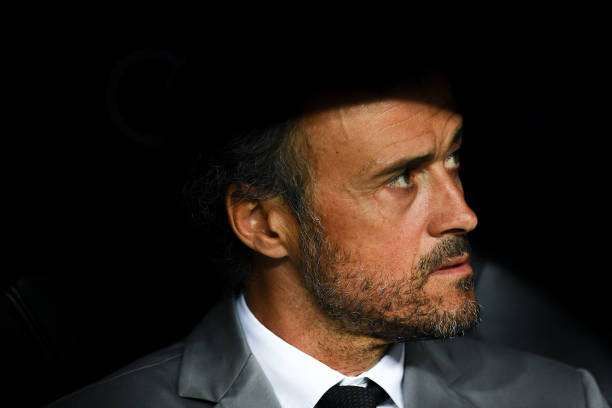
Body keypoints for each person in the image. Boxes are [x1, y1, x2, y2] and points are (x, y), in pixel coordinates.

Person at [48, 74, 610, 407]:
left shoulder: (563, 397)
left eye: (453, 159)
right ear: (265, 224)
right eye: (400, 178)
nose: (462, 213)